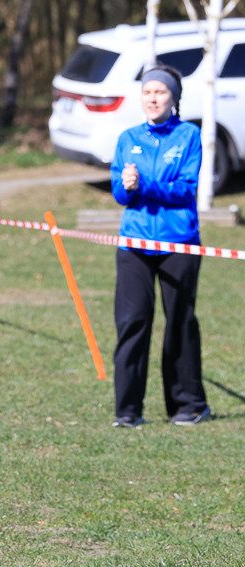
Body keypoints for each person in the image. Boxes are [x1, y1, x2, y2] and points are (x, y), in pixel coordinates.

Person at [110, 65, 210, 428]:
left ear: (173, 98)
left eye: (160, 92)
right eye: (147, 92)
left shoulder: (189, 136)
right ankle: (127, 411)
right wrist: (126, 185)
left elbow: (185, 189)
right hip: (134, 242)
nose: (152, 98)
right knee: (133, 321)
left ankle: (188, 406)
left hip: (179, 243)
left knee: (179, 322)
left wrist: (145, 184)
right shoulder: (127, 138)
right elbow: (121, 194)